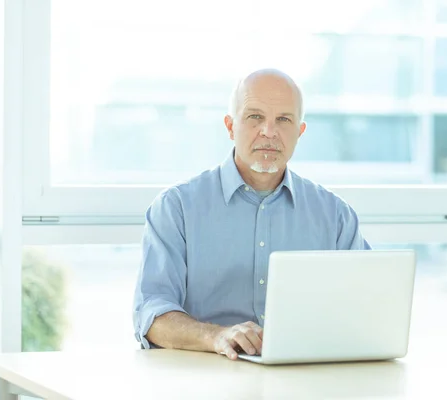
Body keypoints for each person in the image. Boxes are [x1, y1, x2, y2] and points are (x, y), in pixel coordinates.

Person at [133, 68, 371, 360]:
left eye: (283, 119)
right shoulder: (177, 208)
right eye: (255, 117)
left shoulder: (336, 217)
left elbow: (368, 307)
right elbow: (152, 314)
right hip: (204, 381)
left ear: (300, 131)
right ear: (231, 126)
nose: (269, 132)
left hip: (306, 381)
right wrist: (215, 336)